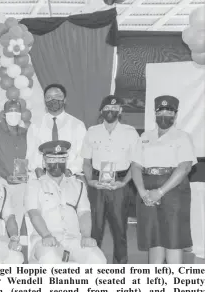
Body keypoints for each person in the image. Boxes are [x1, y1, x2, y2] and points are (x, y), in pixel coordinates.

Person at [131, 95, 196, 264]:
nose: (165, 114)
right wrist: (142, 192)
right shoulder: (145, 136)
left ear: (175, 114)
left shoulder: (182, 137)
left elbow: (185, 167)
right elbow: (136, 166)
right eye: (161, 111)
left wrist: (160, 192)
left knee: (173, 238)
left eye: (169, 111)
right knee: (154, 237)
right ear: (155, 113)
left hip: (173, 190)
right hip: (146, 189)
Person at [25, 140, 106, 264]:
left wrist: (85, 236)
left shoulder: (78, 185)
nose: (57, 163)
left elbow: (84, 213)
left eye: (61, 159)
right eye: (51, 160)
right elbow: (34, 214)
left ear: (66, 161)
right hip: (45, 240)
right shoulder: (34, 185)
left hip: (73, 240)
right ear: (44, 162)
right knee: (51, 259)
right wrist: (46, 235)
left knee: (98, 260)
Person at [81, 96, 139, 264]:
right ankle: (92, 264)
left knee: (119, 229)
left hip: (120, 183)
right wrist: (90, 181)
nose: (111, 111)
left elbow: (136, 163)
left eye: (115, 108)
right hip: (97, 183)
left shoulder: (130, 132)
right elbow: (85, 162)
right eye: (107, 108)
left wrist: (124, 182)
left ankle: (120, 267)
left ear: (120, 110)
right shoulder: (92, 131)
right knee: (95, 229)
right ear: (101, 111)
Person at [0, 100, 27, 231]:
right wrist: (5, 175)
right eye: (11, 111)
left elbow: (27, 157)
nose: (14, 114)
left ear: (22, 114)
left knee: (16, 221)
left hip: (20, 184)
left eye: (17, 111)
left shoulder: (26, 132)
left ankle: (14, 247)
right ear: (3, 114)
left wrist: (20, 177)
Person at [26, 84, 87, 177]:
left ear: (65, 99)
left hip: (70, 177)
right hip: (41, 177)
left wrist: (70, 170)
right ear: (44, 101)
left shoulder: (78, 125)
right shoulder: (35, 125)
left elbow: (83, 155)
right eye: (49, 97)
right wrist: (37, 169)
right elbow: (30, 154)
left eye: (57, 96)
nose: (53, 100)